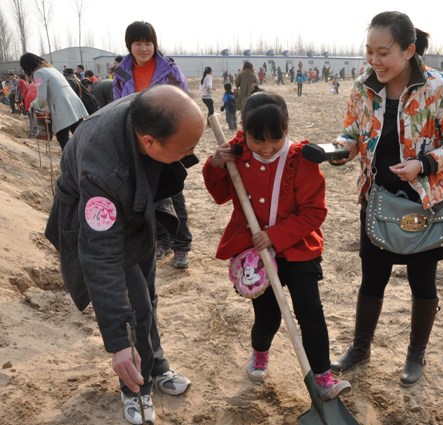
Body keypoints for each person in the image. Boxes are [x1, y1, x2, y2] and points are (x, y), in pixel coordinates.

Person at [328, 11, 443, 387]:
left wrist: (424, 164)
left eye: (383, 52)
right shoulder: (363, 86)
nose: (374, 61)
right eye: (369, 51)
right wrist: (340, 149)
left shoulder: (440, 87)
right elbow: (352, 133)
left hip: (426, 202)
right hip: (378, 199)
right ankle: (360, 348)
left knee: (422, 283)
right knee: (372, 279)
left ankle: (415, 354)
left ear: (409, 51)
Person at [44, 85, 203, 425]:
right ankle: (135, 388)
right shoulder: (100, 171)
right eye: (185, 150)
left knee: (149, 298)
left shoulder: (149, 111)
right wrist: (117, 343)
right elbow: (100, 257)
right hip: (100, 225)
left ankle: (156, 367)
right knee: (135, 308)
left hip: (137, 209)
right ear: (149, 142)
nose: (192, 155)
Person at [203, 91, 351, 401]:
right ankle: (260, 353)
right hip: (256, 253)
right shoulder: (236, 155)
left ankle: (322, 376)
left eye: (276, 139)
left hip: (297, 248)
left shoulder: (301, 159)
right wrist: (215, 164)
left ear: (286, 128)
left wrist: (276, 235)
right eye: (258, 141)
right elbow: (219, 195)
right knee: (268, 316)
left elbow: (314, 212)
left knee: (310, 311)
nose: (267, 148)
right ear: (245, 131)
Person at [113, 20, 193, 269]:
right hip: (139, 141)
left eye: (148, 43)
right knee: (149, 194)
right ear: (130, 45)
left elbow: (185, 101)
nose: (144, 48)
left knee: (173, 192)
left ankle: (182, 244)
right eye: (138, 43)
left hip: (166, 140)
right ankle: (161, 240)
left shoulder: (169, 70)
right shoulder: (122, 73)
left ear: (154, 44)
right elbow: (117, 107)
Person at [19, 53, 88, 150]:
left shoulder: (39, 74)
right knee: (80, 136)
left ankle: (70, 159)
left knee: (62, 138)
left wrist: (31, 107)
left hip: (62, 107)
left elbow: (41, 100)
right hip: (74, 103)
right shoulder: (52, 69)